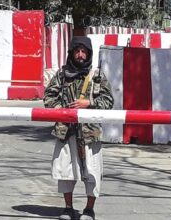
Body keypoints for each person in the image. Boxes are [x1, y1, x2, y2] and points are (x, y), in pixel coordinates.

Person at [43, 36, 114, 220]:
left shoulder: (96, 75)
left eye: (84, 51)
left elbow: (108, 101)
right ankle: (68, 207)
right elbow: (49, 97)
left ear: (88, 54)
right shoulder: (62, 74)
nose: (80, 55)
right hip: (67, 132)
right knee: (66, 172)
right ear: (72, 53)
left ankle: (89, 210)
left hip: (90, 133)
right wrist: (62, 111)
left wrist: (88, 103)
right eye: (77, 51)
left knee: (92, 172)